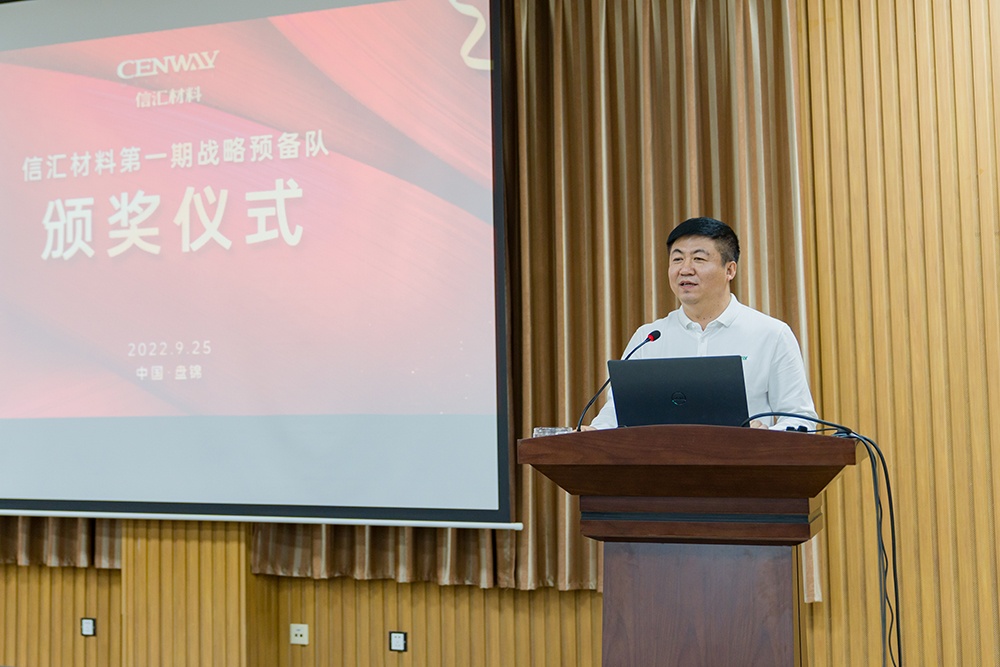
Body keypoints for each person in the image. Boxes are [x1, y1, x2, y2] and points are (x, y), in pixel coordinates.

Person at [589, 217, 818, 430]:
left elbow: (800, 418)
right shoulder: (649, 338)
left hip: (743, 460)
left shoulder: (771, 334)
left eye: (698, 259)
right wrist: (592, 432)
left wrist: (763, 438)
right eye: (677, 259)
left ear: (730, 270)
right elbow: (615, 414)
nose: (685, 269)